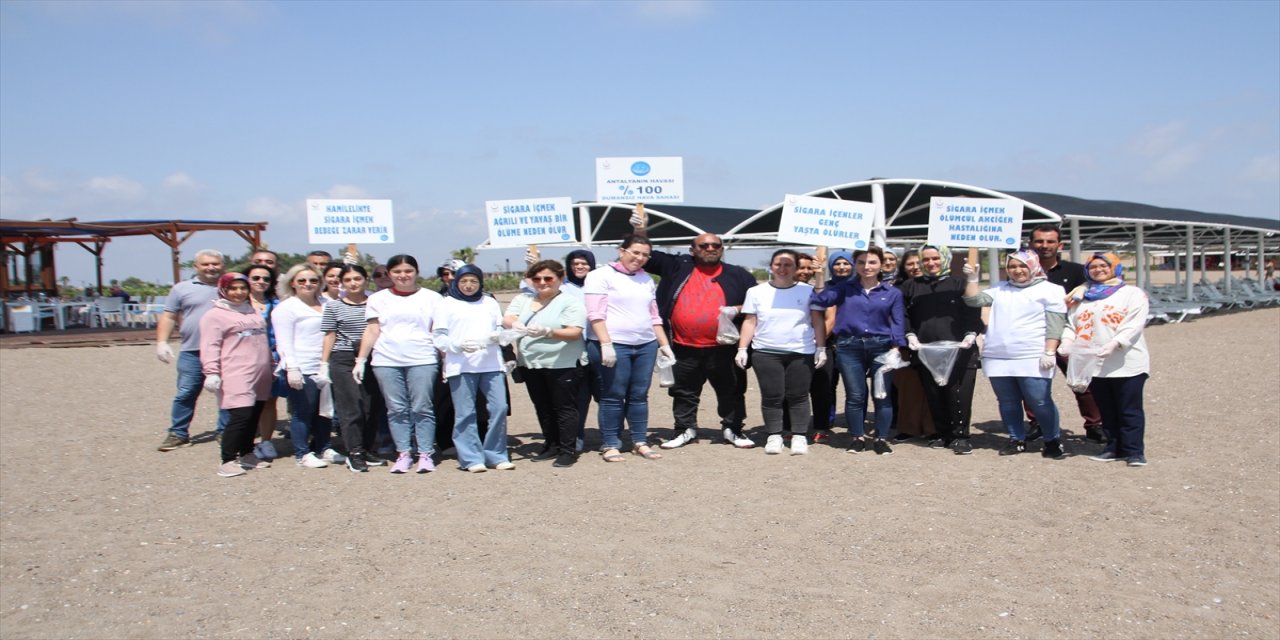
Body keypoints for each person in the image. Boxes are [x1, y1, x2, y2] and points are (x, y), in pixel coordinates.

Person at [631, 227, 756, 451]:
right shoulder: (677, 267)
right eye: (703, 246)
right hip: (683, 346)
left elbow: (757, 305)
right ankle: (684, 429)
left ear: (722, 249)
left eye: (715, 245)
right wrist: (639, 230)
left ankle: (733, 429)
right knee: (683, 392)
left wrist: (736, 309)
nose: (710, 249)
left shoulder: (739, 274)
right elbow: (646, 256)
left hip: (724, 348)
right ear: (692, 250)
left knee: (732, 390)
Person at [962, 251, 1069, 458]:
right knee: (1007, 401)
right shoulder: (1000, 289)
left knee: (1039, 401)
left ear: (1033, 266)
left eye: (1022, 266)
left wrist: (1050, 351)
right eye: (1012, 266)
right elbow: (973, 300)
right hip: (998, 354)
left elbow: (1056, 323)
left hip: (1031, 354)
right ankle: (1016, 439)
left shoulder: (1051, 290)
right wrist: (973, 279)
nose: (1017, 271)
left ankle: (1052, 439)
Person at [583, 234, 674, 462]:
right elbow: (595, 314)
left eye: (645, 255)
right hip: (613, 344)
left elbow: (654, 316)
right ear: (622, 250)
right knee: (613, 395)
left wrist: (664, 345)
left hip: (645, 344)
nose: (640, 258)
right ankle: (611, 443)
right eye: (635, 252)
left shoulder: (646, 280)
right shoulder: (600, 276)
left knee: (639, 396)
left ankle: (639, 440)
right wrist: (605, 343)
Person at [810, 246, 906, 455]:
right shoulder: (845, 288)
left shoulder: (892, 293)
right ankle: (857, 437)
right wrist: (819, 276)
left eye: (872, 262)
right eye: (861, 262)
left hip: (881, 347)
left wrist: (896, 349)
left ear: (881, 264)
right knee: (855, 395)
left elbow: (898, 322)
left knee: (882, 395)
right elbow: (819, 301)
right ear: (856, 265)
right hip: (848, 347)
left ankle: (880, 438)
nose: (866, 267)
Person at [356, 254, 443, 474]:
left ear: (416, 272)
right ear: (389, 274)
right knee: (396, 408)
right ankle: (404, 452)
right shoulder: (378, 299)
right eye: (396, 272)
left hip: (422, 358)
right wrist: (361, 359)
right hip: (386, 359)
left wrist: (445, 359)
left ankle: (425, 453)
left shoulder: (432, 298)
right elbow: (373, 329)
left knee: (422, 407)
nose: (403, 276)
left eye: (408, 271)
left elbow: (438, 331)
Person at [1063, 252, 1152, 467]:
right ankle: (1113, 447)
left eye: (1104, 265)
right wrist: (1067, 341)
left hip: (1126, 362)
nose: (1098, 270)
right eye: (1093, 267)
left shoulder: (1132, 293)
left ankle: (1134, 451)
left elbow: (1134, 323)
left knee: (1129, 409)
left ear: (1115, 268)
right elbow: (1071, 323)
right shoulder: (1081, 296)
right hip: (1094, 364)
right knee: (1106, 409)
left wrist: (1116, 342)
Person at [737, 250, 825, 455]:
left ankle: (800, 436)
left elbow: (817, 320)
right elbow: (750, 321)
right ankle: (774, 435)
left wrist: (821, 347)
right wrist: (742, 348)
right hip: (766, 351)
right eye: (778, 264)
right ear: (771, 266)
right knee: (771, 396)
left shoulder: (807, 291)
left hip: (801, 351)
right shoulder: (756, 292)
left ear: (795, 268)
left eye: (788, 265)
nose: (783, 269)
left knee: (799, 396)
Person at [898, 245, 985, 455]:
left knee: (960, 394)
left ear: (945, 258)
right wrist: (909, 334)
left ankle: (961, 436)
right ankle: (943, 433)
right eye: (926, 259)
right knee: (934, 394)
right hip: (926, 351)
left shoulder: (960, 284)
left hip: (960, 349)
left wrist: (971, 333)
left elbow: (974, 308)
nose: (931, 263)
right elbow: (903, 314)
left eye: (935, 258)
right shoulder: (910, 286)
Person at [506, 260, 588, 467]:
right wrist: (515, 323)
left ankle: (567, 450)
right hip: (531, 363)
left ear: (560, 279)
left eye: (548, 278)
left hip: (562, 363)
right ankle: (551, 444)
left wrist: (549, 332)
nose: (542, 282)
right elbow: (508, 317)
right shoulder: (523, 298)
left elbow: (575, 331)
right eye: (537, 279)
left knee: (564, 407)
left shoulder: (570, 302)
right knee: (542, 406)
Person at [1027, 224, 1104, 442]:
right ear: (1031, 244)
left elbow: (1098, 296)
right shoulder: (1023, 271)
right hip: (1033, 336)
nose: (1044, 246)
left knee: (1082, 382)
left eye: (1050, 241)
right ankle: (1037, 423)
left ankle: (1095, 424)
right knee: (1033, 384)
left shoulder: (1077, 271)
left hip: (1068, 335)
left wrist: (1086, 288)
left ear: (1060, 245)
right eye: (1039, 241)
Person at [434, 265, 514, 472]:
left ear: (480, 283)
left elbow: (498, 327)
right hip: (461, 365)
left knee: (499, 408)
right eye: (463, 281)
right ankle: (470, 457)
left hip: (491, 363)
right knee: (465, 412)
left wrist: (499, 336)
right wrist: (457, 346)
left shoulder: (489, 302)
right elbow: (439, 337)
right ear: (456, 282)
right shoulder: (446, 304)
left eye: (473, 282)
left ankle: (495, 453)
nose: (468, 286)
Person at [155, 249, 231, 451]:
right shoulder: (181, 289)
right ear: (196, 266)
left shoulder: (232, 286)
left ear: (222, 266)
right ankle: (178, 433)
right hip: (192, 350)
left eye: (215, 264)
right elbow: (169, 316)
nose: (211, 268)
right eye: (205, 264)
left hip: (227, 350)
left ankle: (225, 431)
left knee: (227, 392)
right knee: (186, 392)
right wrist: (162, 341)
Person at [199, 273, 274, 477]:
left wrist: (270, 363)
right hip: (236, 371)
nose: (238, 292)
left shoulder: (252, 311)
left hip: (260, 370)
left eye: (242, 288)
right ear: (224, 289)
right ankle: (228, 459)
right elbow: (210, 345)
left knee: (254, 414)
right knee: (241, 415)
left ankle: (247, 453)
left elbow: (262, 341)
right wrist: (211, 371)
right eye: (233, 288)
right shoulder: (214, 315)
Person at [273, 264, 343, 469]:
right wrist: (292, 367)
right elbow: (283, 341)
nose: (308, 284)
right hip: (302, 366)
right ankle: (302, 453)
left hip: (325, 364)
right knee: (303, 411)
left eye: (313, 280)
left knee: (325, 411)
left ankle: (324, 447)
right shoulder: (286, 308)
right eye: (302, 280)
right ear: (292, 283)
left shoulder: (327, 302)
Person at [320, 265, 387, 472]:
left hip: (371, 356)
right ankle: (354, 452)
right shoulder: (334, 307)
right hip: (343, 358)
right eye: (347, 280)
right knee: (351, 407)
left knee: (370, 407)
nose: (353, 283)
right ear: (341, 283)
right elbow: (330, 335)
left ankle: (366, 448)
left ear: (365, 280)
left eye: (357, 278)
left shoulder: (376, 303)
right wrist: (324, 363)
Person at [789, 252, 835, 440]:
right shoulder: (781, 291)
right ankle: (789, 426)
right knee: (791, 389)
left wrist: (818, 341)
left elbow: (830, 318)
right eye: (801, 267)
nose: (805, 271)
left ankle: (821, 427)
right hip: (793, 347)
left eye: (809, 268)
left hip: (820, 346)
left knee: (821, 388)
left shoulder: (820, 290)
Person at [889, 250, 934, 441]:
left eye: (919, 263)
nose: (915, 267)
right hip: (905, 345)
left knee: (932, 389)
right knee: (908, 389)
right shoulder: (896, 288)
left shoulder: (935, 285)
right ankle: (908, 427)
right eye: (910, 264)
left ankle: (932, 428)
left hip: (932, 343)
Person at [561, 249, 600, 452]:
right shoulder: (562, 288)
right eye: (575, 263)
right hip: (574, 350)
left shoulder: (601, 284)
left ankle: (611, 436)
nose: (579, 267)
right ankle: (576, 436)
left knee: (606, 394)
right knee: (579, 397)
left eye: (584, 263)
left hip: (600, 346)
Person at [245, 264, 284, 460]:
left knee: (269, 402)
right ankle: (245, 442)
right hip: (243, 360)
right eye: (256, 278)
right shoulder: (238, 304)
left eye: (266, 279)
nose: (261, 282)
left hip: (271, 358)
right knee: (245, 402)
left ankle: (266, 441)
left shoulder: (276, 305)